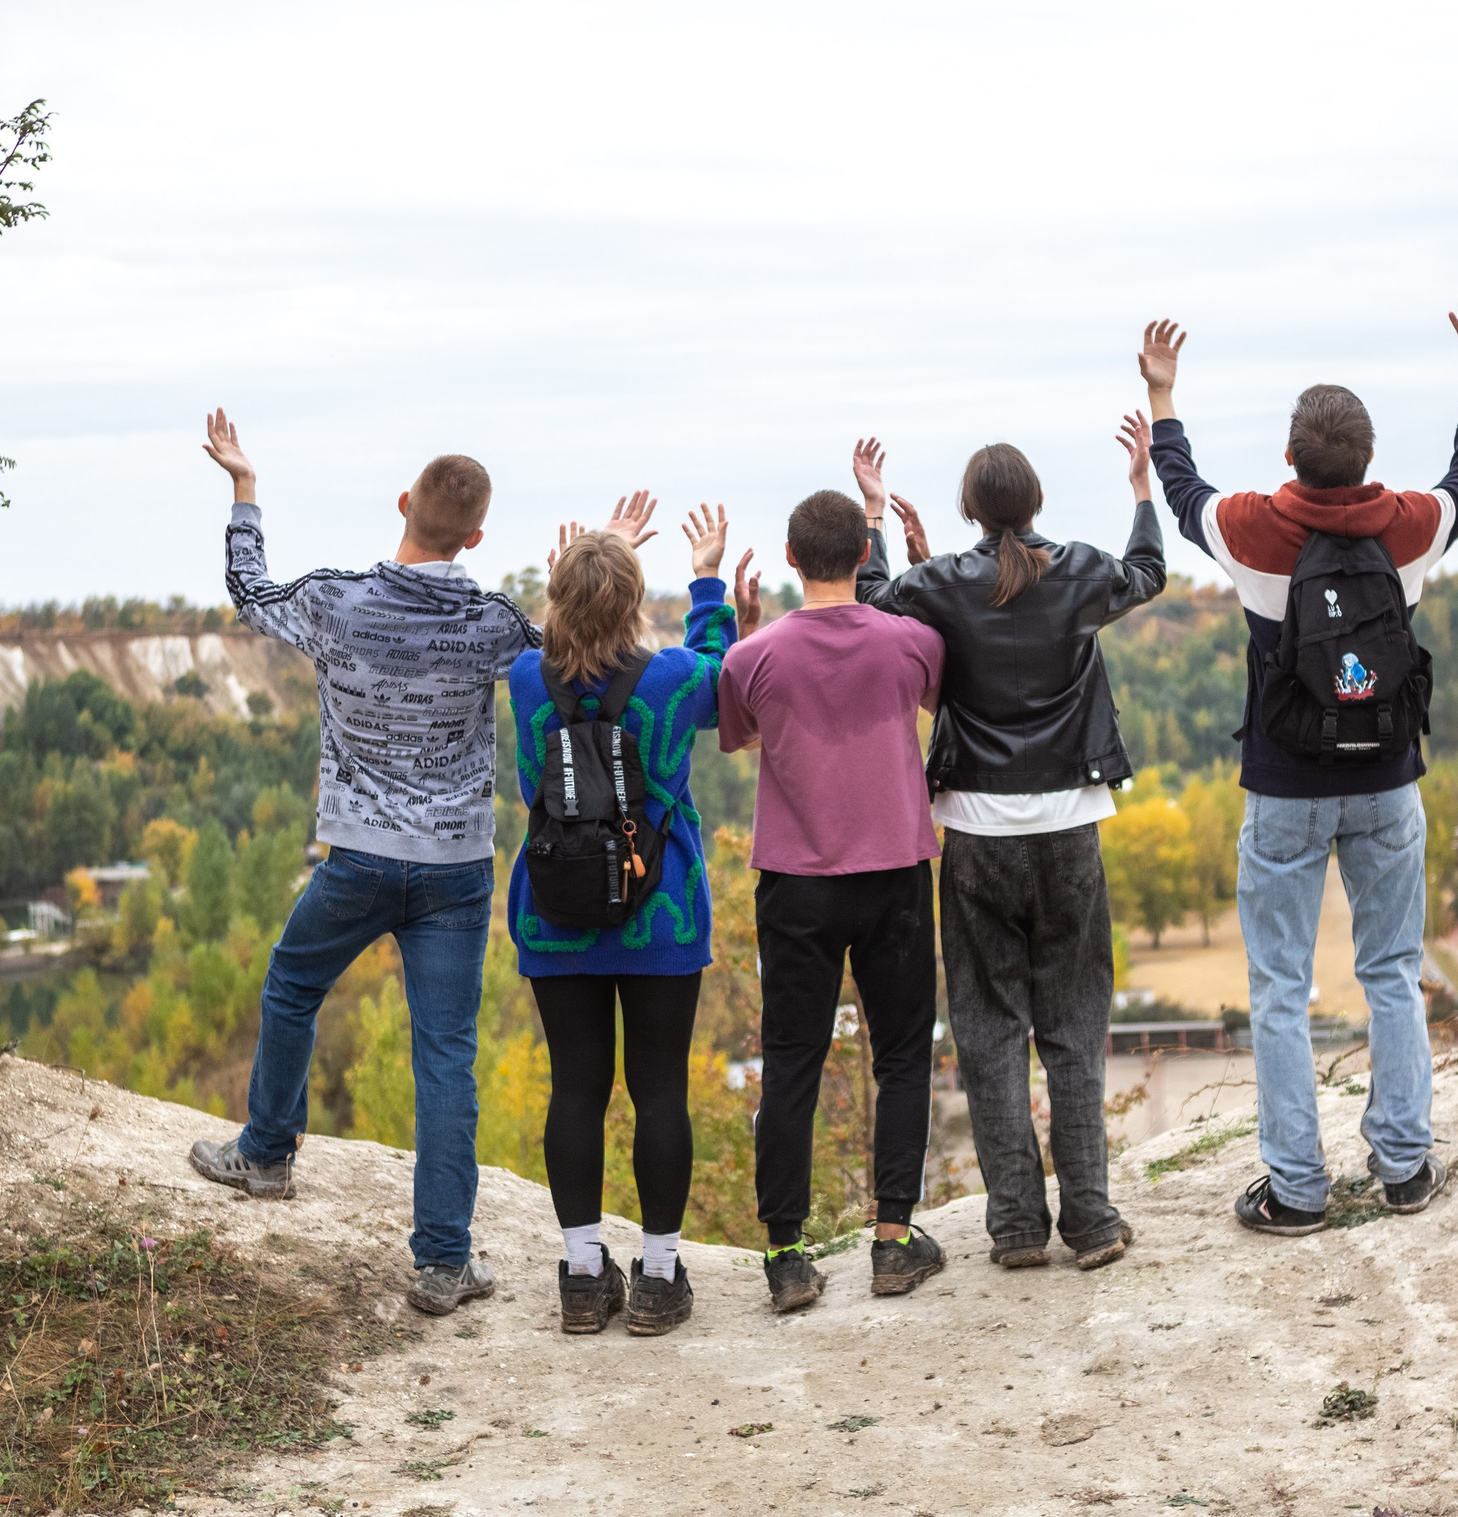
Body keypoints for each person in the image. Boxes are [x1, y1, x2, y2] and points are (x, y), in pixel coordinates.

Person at [1139, 302, 1458, 1235]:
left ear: (1292, 458)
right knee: (1391, 971)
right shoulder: (1409, 528)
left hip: (1287, 785)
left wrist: (1164, 398)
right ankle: (1406, 1168)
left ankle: (1296, 1190)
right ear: (1368, 459)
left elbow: (1182, 494)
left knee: (1280, 989)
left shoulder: (1256, 529)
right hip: (1387, 781)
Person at [186, 409, 537, 1320]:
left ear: (402, 505)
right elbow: (575, 655)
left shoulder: (337, 601)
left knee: (293, 983)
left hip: (361, 857)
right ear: (475, 536)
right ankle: (442, 1263)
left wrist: (244, 488)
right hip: (458, 868)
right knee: (446, 1057)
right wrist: (603, 556)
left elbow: (250, 590)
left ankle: (265, 1155)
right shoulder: (492, 620)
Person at [854, 423, 1166, 1270]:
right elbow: (1149, 573)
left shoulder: (949, 584)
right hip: (1070, 828)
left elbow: (875, 600)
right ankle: (1093, 1221)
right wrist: (1142, 487)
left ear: (969, 510)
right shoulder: (1078, 571)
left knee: (989, 1031)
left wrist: (875, 514)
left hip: (977, 833)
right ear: (1035, 502)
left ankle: (1018, 1228)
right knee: (1073, 1023)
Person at [509, 498, 755, 1336]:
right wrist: (708, 578)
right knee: (658, 1090)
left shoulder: (521, 678)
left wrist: (589, 556)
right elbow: (722, 673)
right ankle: (657, 1277)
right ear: (630, 601)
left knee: (575, 1087)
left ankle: (583, 1276)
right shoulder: (675, 677)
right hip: (660, 916)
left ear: (556, 596)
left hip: (556, 916)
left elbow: (542, 638)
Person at [717, 490, 949, 1313]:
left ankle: (786, 1253)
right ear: (862, 555)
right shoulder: (910, 641)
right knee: (902, 1056)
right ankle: (892, 1240)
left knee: (790, 1064)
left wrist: (743, 630)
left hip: (796, 881)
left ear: (788, 558)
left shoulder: (758, 655)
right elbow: (936, 688)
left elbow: (737, 730)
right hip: (894, 872)